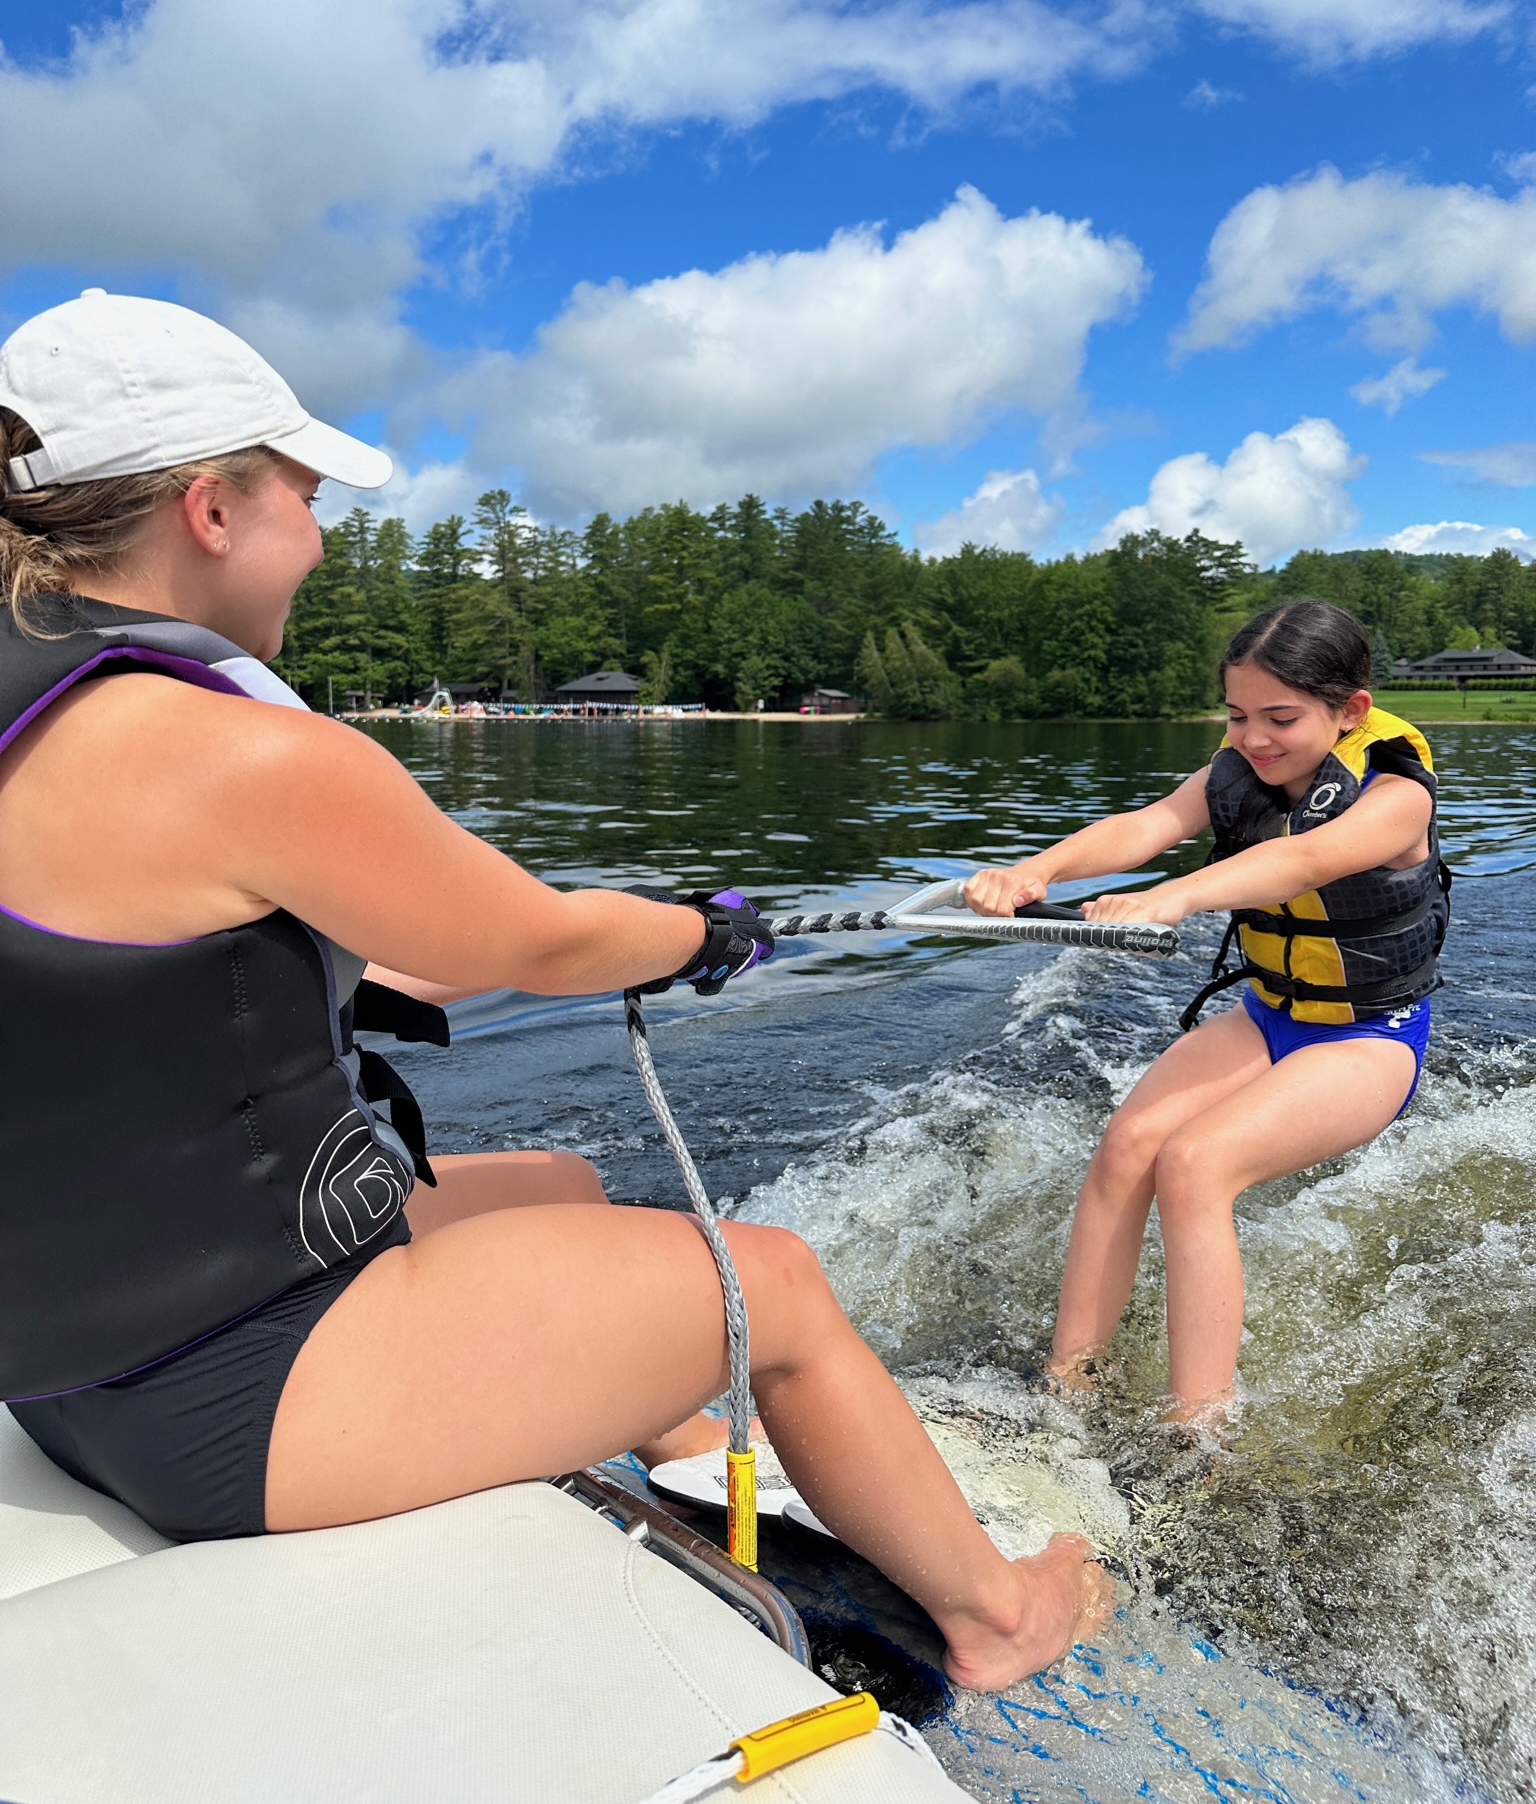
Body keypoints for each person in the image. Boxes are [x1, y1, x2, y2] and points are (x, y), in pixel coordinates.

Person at [0, 289, 1106, 1690]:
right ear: (211, 509)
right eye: (306, 495)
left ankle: (667, 1434)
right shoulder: (240, 755)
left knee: (567, 1185)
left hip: (68, 1378)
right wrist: (700, 932)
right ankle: (1000, 1617)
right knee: (772, 1285)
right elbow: (542, 945)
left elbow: (190, 961)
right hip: (231, 1400)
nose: (321, 535)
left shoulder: (37, 716)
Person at [965, 599, 1448, 1416]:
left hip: (1371, 1038)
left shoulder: (1397, 795)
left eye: (1280, 718)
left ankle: (1198, 1436)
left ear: (1350, 709)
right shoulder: (1238, 765)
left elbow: (1305, 860)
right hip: (1269, 1016)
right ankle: (1069, 1382)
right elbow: (1147, 824)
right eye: (1237, 714)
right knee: (1130, 1145)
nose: (1254, 738)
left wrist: (1176, 896)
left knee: (1195, 1163)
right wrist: (1034, 870)